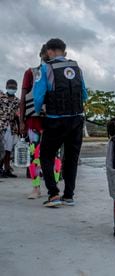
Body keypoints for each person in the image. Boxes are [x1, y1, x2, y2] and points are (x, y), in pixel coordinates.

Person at [33, 38, 88, 207]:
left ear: (49, 51)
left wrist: (38, 111)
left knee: (46, 156)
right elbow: (84, 94)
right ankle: (69, 196)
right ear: (64, 51)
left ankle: (53, 194)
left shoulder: (45, 68)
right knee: (71, 158)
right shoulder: (77, 67)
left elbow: (38, 97)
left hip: (55, 120)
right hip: (77, 119)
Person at [20, 44, 49, 199]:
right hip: (33, 121)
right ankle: (36, 188)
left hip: (53, 121)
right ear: (42, 54)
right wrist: (22, 121)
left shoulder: (57, 73)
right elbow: (23, 98)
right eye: (46, 53)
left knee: (55, 156)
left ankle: (54, 189)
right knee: (35, 154)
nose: (48, 56)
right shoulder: (31, 72)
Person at [0, 79, 20, 178]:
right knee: (1, 149)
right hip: (1, 126)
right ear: (6, 86)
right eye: (10, 87)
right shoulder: (1, 97)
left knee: (8, 150)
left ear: (16, 88)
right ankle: (0, 169)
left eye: (13, 87)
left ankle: (7, 170)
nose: (12, 88)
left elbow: (18, 116)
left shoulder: (17, 101)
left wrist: (20, 129)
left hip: (11, 128)